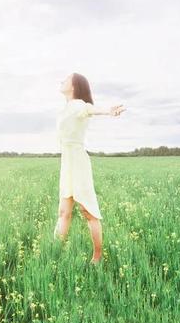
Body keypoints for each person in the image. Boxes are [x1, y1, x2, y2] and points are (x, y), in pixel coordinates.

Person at [53, 73, 126, 265]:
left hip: (77, 163)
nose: (62, 80)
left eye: (65, 79)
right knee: (63, 212)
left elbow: (89, 109)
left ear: (75, 86)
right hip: (67, 162)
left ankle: (97, 257)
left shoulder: (78, 105)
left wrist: (108, 111)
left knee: (88, 212)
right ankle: (54, 252)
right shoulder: (67, 108)